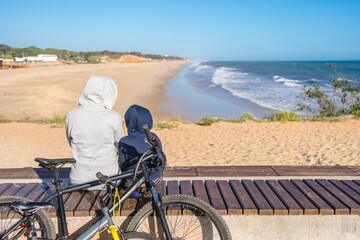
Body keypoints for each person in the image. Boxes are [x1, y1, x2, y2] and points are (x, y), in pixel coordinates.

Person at [66, 75, 124, 185]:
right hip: (109, 179)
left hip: (78, 180)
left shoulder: (71, 116)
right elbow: (119, 146)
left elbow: (71, 142)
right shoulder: (114, 117)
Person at [118, 105, 163, 183]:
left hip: (133, 180)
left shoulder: (124, 141)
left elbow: (122, 165)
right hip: (155, 177)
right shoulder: (154, 137)